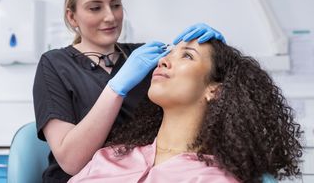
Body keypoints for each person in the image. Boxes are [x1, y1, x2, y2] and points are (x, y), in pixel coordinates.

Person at [33, 0, 225, 182]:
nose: (110, 17)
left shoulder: (147, 58)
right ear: (72, 17)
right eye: (95, 8)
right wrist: (116, 88)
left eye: (115, 5)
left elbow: (202, 94)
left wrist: (217, 57)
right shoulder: (55, 64)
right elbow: (71, 161)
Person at [68, 38, 303, 183]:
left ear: (215, 90)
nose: (163, 62)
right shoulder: (109, 157)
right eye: (168, 54)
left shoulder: (215, 178)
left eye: (187, 56)